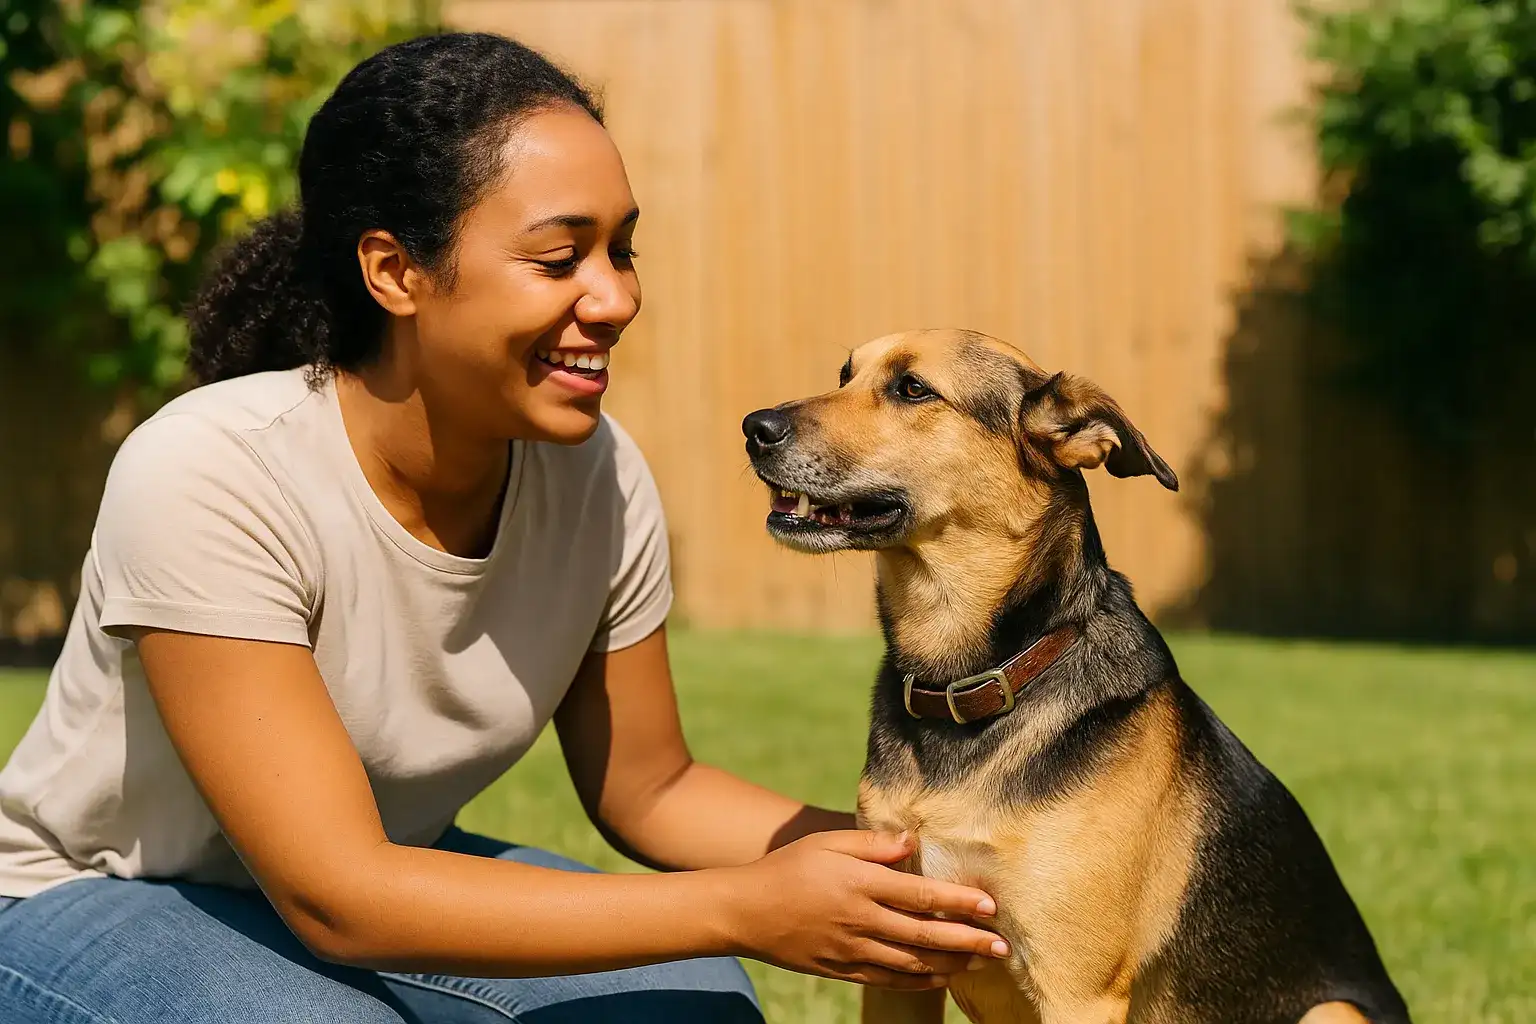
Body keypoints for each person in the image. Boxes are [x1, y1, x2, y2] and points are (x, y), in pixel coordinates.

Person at [0, 32, 1008, 1023]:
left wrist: (932, 867)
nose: (614, 296)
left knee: (687, 1009)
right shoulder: (213, 471)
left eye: (623, 250)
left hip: (370, 883)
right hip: (78, 900)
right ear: (395, 272)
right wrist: (740, 908)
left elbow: (651, 788)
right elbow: (337, 894)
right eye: (561, 255)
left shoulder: (597, 475)